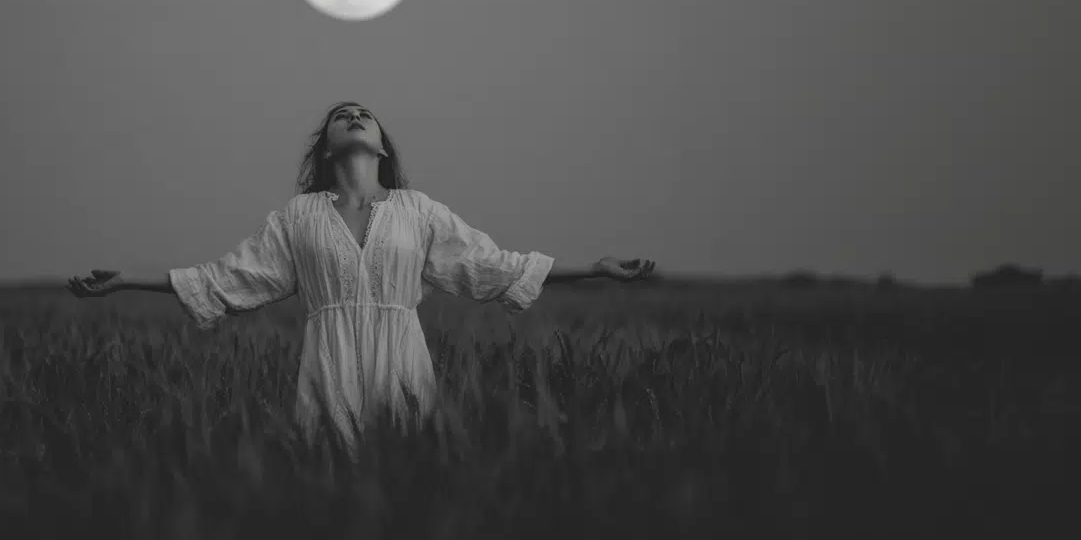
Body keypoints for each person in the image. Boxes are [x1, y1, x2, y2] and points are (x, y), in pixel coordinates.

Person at [69, 101, 655, 455]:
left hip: (403, 362)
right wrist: (124, 281)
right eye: (341, 117)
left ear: (381, 145)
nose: (353, 116)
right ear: (327, 148)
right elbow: (225, 278)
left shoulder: (418, 210)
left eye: (364, 115)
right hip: (327, 365)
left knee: (406, 482)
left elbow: (493, 266)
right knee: (329, 486)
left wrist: (595, 270)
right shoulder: (297, 217)